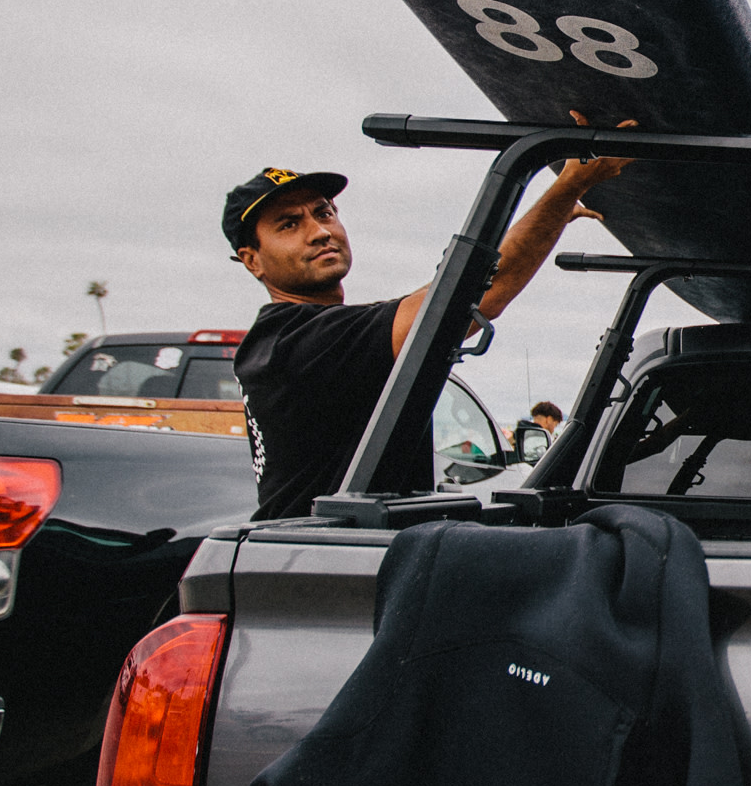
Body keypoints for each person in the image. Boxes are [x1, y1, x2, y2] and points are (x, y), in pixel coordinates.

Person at [225, 135, 628, 520]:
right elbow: (470, 299)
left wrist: (555, 209)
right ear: (252, 260)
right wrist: (572, 181)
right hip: (313, 568)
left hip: (336, 557)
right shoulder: (293, 343)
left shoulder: (319, 332)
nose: (320, 231)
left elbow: (445, 294)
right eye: (289, 225)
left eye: (324, 212)